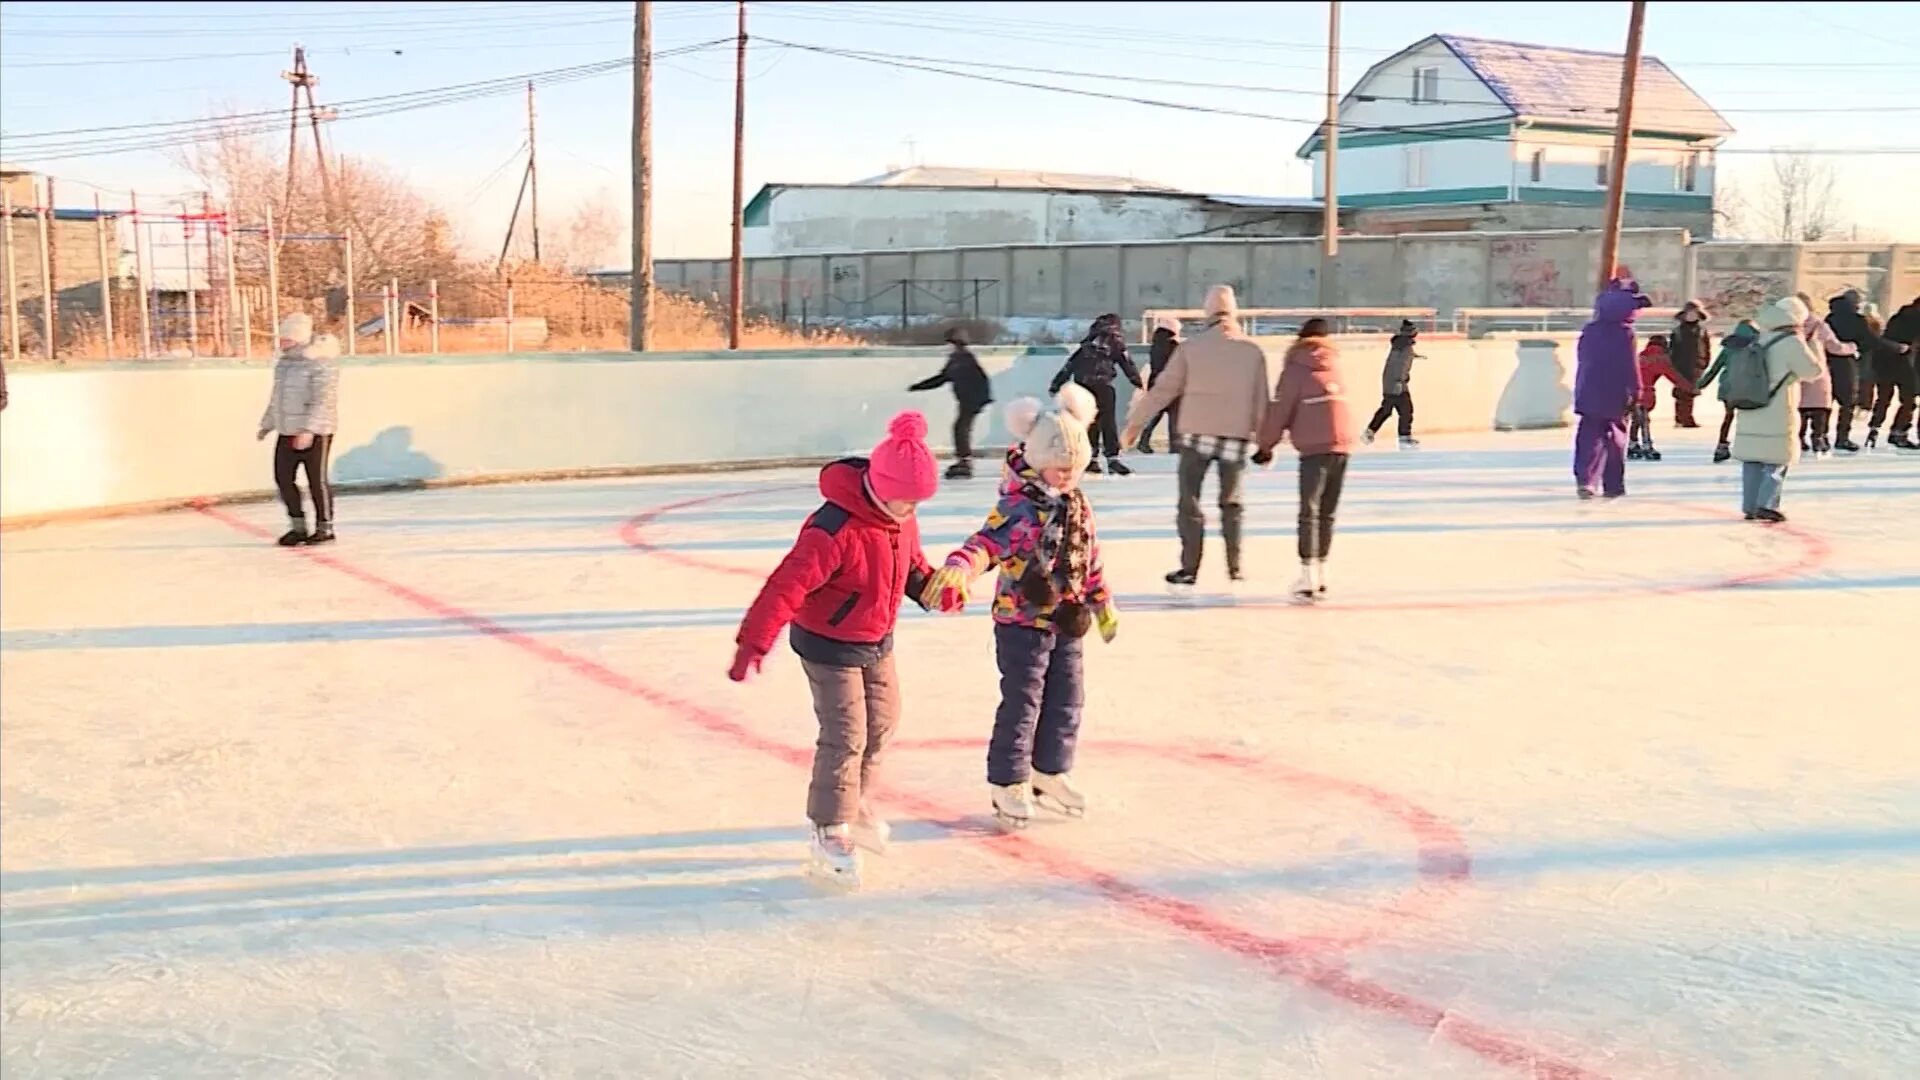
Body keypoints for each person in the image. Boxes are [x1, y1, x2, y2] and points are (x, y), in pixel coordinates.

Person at [727, 411, 941, 889]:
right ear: (880, 486)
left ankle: (855, 801)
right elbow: (786, 585)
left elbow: (912, 568)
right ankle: (830, 828)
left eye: (916, 502)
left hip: (876, 639)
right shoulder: (833, 529)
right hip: (828, 644)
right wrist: (753, 642)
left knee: (882, 722)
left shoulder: (901, 519)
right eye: (904, 500)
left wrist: (934, 590)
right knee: (846, 735)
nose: (910, 509)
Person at [924, 387, 1117, 830]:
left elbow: (1089, 556)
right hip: (1021, 621)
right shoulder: (1019, 507)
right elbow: (984, 543)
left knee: (1068, 699)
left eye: (1074, 467)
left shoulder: (1077, 504)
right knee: (1023, 701)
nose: (1067, 475)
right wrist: (959, 568)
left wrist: (1102, 601)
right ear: (1037, 459)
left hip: (1067, 618)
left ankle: (1050, 771)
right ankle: (1008, 781)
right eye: (1058, 466)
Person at [1119, 285, 1271, 585]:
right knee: (1232, 503)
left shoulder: (1191, 348)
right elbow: (1262, 401)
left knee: (1189, 502)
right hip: (1235, 437)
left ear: (1207, 313)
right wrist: (1265, 443)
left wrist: (1134, 426)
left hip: (1196, 436)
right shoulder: (1252, 351)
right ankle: (1235, 567)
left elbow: (1162, 391)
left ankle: (1189, 568)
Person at [1253, 318, 1356, 603]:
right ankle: (1321, 572)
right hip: (1343, 445)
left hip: (1314, 446)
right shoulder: (1335, 364)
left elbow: (1280, 410)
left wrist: (1265, 446)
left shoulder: (1296, 368)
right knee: (1327, 511)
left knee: (1309, 511)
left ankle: (1308, 575)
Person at [1730, 297, 1825, 523]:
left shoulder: (1760, 337)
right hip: (1777, 408)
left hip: (1752, 404)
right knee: (1777, 458)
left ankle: (1750, 505)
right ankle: (1767, 503)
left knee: (1752, 459)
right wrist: (1814, 345)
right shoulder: (1792, 342)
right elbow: (1813, 371)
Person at [256, 313, 341, 546]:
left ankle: (325, 528)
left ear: (299, 338)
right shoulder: (284, 365)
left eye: (286, 338)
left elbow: (323, 400)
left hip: (317, 431)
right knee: (283, 478)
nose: (281, 342)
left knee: (316, 480)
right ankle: (298, 526)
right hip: (287, 429)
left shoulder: (321, 363)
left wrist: (309, 430)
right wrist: (268, 423)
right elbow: (277, 399)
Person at [1571, 279, 1648, 499]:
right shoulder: (1626, 333)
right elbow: (1630, 364)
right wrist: (1636, 391)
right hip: (1616, 392)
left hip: (1588, 390)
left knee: (1589, 437)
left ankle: (1586, 479)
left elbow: (1582, 359)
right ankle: (1613, 484)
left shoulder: (1590, 330)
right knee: (1616, 438)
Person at [1050, 313, 1143, 475]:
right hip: (1102, 385)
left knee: (1089, 422)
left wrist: (1056, 384)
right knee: (1108, 423)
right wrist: (1137, 381)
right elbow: (1127, 363)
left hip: (1082, 387)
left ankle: (1090, 459)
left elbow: (1070, 365)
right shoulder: (1115, 342)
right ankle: (1112, 459)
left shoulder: (1087, 343)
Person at [1825, 289, 1909, 453]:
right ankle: (1842, 438)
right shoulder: (1857, 320)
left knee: (1827, 402)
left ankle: (1820, 436)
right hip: (1848, 362)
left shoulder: (1830, 318)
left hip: (1827, 362)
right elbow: (1870, 341)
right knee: (1848, 402)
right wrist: (1895, 347)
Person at [908, 328, 993, 479]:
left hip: (971, 399)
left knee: (961, 428)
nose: (948, 347)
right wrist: (918, 386)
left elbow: (980, 380)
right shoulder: (957, 359)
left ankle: (964, 460)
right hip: (968, 399)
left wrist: (979, 398)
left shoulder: (964, 358)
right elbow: (942, 378)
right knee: (960, 428)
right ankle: (963, 459)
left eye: (950, 344)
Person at [1795, 291, 1853, 456]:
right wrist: (1852, 347)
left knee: (1799, 407)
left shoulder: (1789, 326)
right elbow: (1835, 347)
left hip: (1797, 371)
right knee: (1820, 406)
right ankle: (1818, 436)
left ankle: (1798, 437)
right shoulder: (1818, 325)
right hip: (1817, 371)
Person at [1868, 295, 1919, 449]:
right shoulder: (1916, 319)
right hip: (1904, 363)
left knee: (1883, 399)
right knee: (1908, 400)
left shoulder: (1899, 316)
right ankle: (1898, 432)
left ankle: (1874, 430)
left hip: (1884, 362)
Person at [1630, 334, 1691, 461]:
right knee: (1645, 420)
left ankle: (1633, 444)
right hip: (1645, 391)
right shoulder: (1660, 358)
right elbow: (1672, 375)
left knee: (1637, 419)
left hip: (1629, 391)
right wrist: (1689, 388)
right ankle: (1647, 445)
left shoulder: (1640, 357)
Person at [1363, 318, 1421, 448]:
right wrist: (1399, 381)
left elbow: (1396, 362)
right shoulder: (1405, 347)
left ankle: (1370, 432)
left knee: (1388, 410)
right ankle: (1404, 437)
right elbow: (1399, 365)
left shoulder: (1401, 345)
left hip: (1391, 382)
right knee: (1405, 410)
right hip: (1397, 384)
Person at [1134, 315, 1183, 453]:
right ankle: (1175, 446)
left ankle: (1144, 440)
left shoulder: (1156, 344)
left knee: (1155, 414)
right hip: (1172, 385)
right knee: (1175, 416)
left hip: (1155, 382)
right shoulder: (1174, 346)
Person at [1669, 301, 1712, 428]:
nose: (1692, 316)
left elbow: (1706, 348)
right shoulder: (1678, 331)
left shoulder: (1702, 331)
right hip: (1680, 364)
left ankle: (1685, 417)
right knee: (1681, 392)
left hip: (1696, 365)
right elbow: (1672, 349)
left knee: (1690, 392)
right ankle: (1682, 418)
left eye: (1694, 313)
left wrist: (1705, 362)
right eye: (1689, 313)